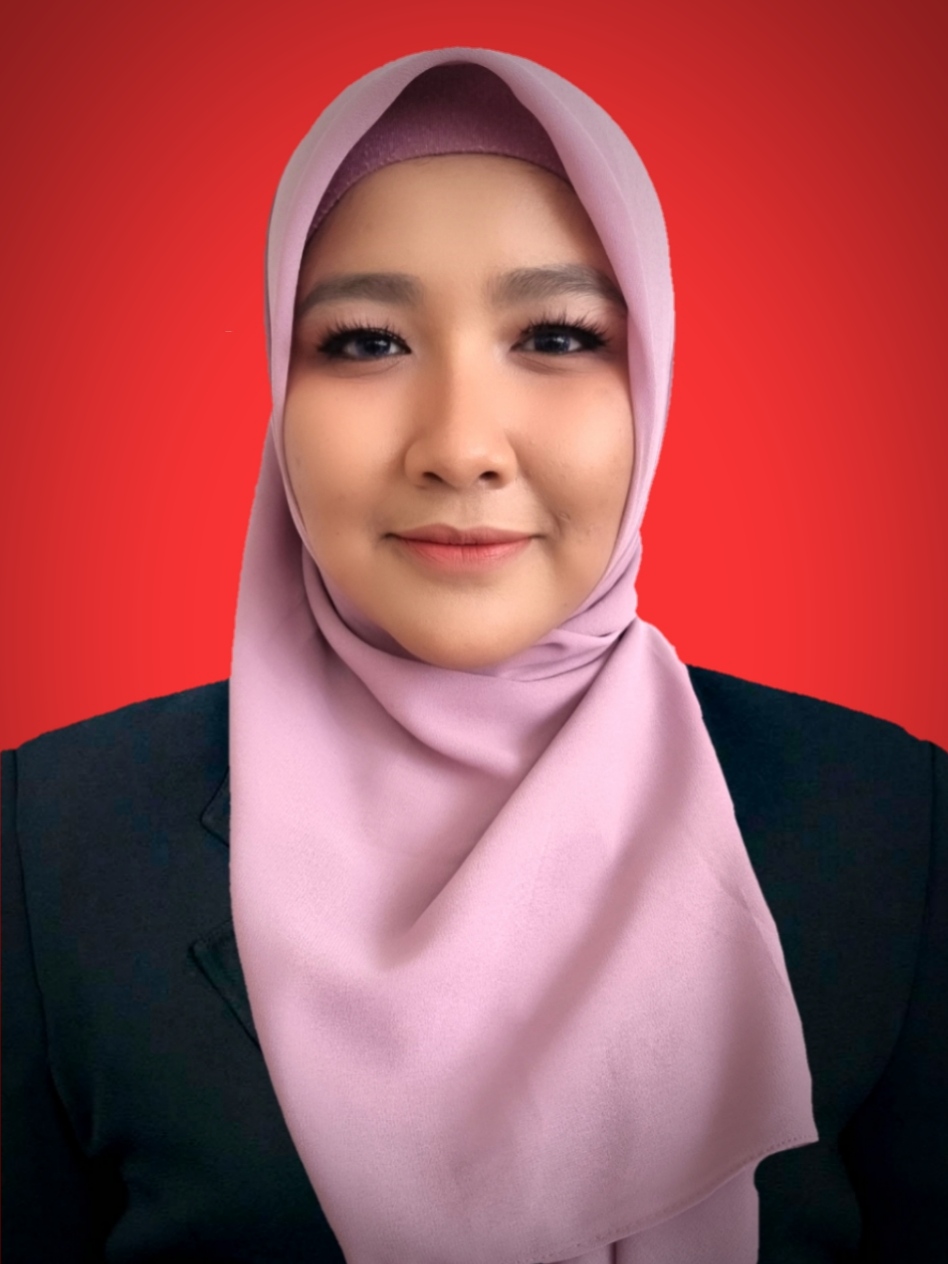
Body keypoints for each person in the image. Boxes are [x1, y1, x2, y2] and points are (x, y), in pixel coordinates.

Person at [1, 47, 945, 1264]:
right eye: (365, 342)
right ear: (278, 386)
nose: (459, 446)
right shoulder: (52, 839)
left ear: (651, 380)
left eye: (555, 335)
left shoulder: (889, 820)